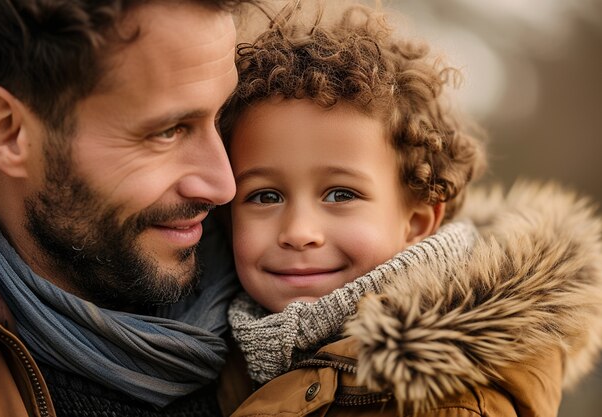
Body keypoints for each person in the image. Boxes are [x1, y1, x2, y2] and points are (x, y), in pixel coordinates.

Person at [217, 2, 602, 416]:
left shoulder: (450, 402)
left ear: (417, 221)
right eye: (266, 196)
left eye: (340, 195)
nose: (298, 231)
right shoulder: (215, 347)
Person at [0, 1, 255, 416]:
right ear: (9, 133)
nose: (224, 186)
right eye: (168, 132)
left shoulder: (293, 309)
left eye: (221, 117)